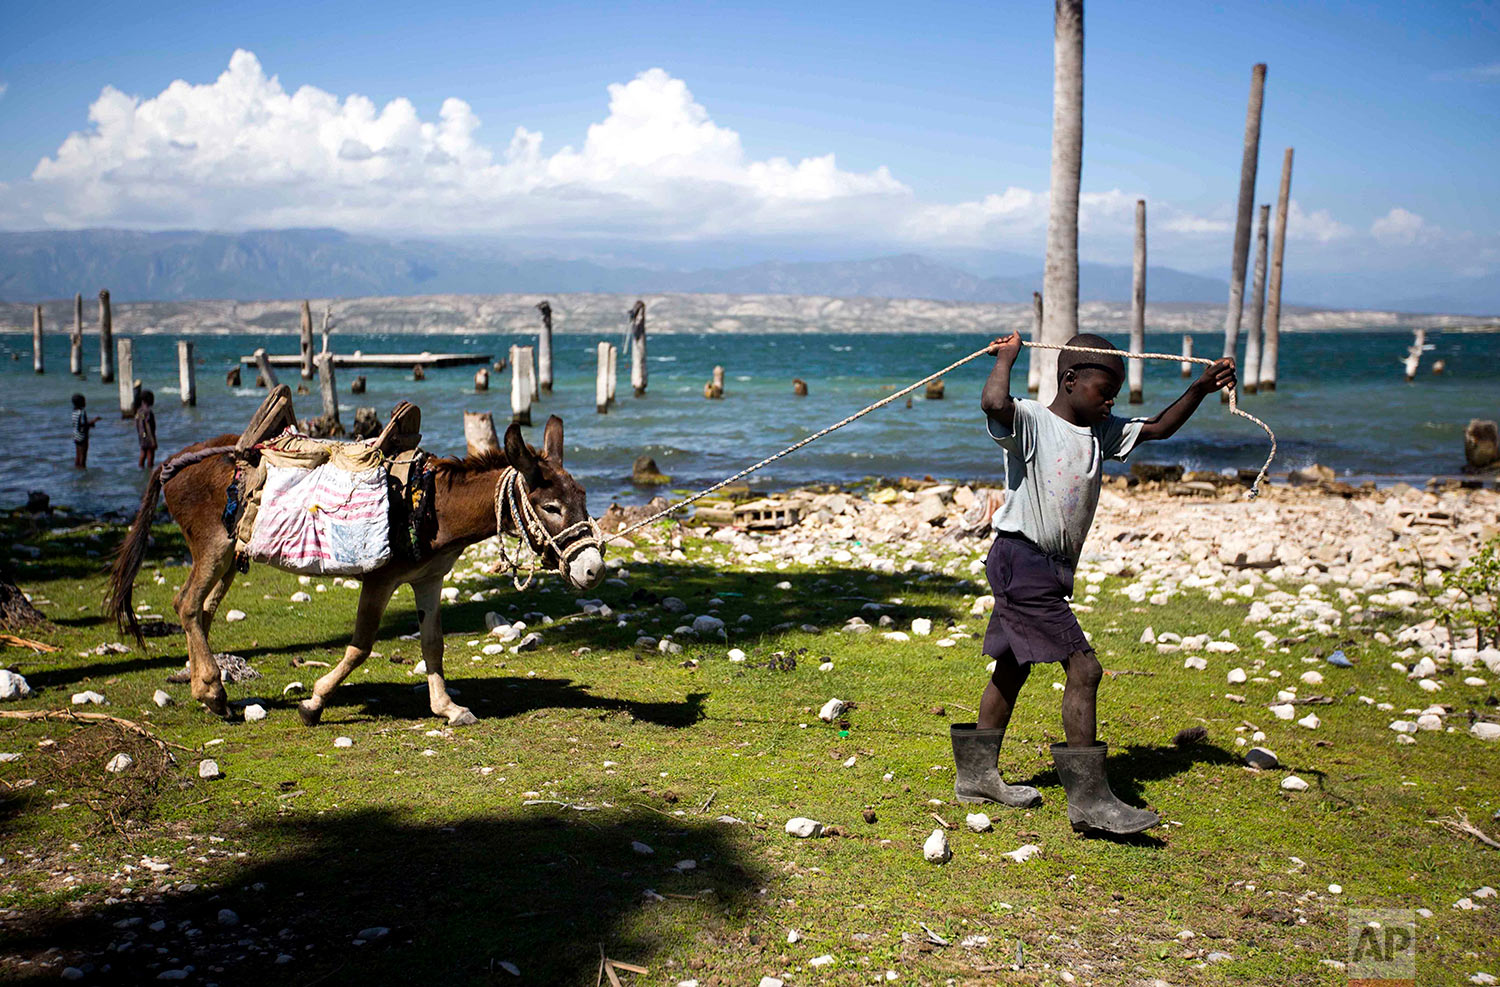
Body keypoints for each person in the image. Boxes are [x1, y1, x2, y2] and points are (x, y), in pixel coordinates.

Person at [950, 332, 1235, 836]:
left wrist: (1200, 388)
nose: (1111, 402)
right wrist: (1008, 359)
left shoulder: (1099, 431)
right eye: (1104, 390)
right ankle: (1090, 802)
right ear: (1069, 380)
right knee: (1085, 669)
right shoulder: (1033, 421)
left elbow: (1161, 428)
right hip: (1023, 558)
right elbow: (994, 400)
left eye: (1115, 394)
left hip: (1049, 566)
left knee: (1014, 665)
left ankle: (976, 776)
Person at [70, 393, 100, 468]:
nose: (85, 403)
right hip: (83, 436)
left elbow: (78, 424)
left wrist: (89, 424)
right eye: (84, 401)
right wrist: (93, 421)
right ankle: (82, 468)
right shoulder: (82, 412)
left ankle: (77, 467)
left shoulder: (74, 412)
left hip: (76, 436)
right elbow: (83, 425)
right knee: (83, 455)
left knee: (78, 454)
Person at [134, 390, 158, 471]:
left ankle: (141, 469)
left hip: (141, 436)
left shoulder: (139, 411)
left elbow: (137, 425)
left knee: (143, 453)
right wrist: (153, 441)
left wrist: (140, 435)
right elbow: (149, 427)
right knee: (150, 454)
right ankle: (150, 470)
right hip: (148, 436)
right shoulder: (148, 411)